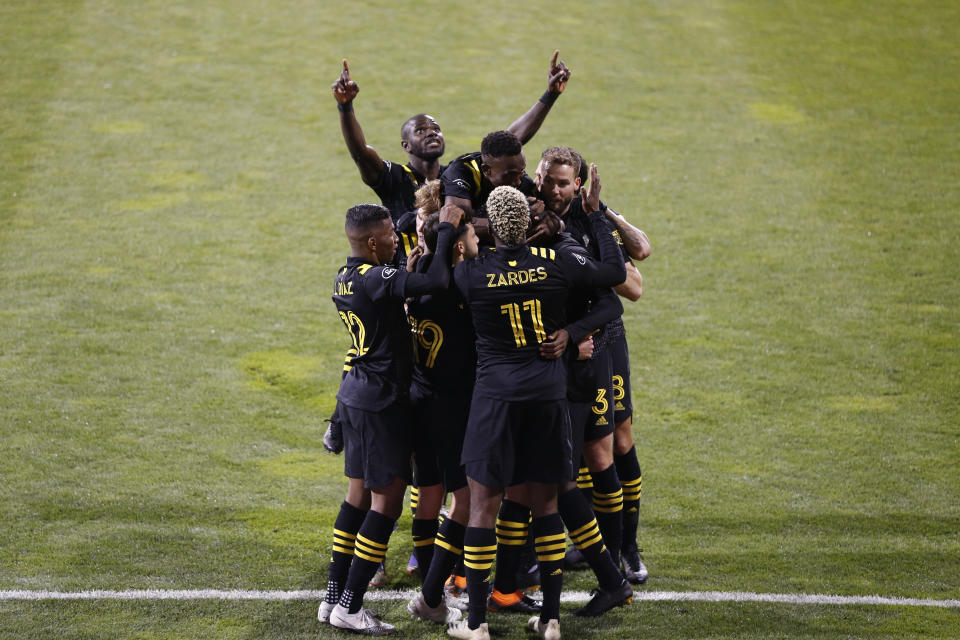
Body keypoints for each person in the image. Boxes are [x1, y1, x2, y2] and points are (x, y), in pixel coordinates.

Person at [446, 185, 625, 640]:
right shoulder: (556, 260)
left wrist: (451, 235)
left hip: (495, 401)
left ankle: (476, 623)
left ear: (489, 224)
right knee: (547, 506)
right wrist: (571, 331)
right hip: (547, 397)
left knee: (483, 507)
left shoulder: (470, 274)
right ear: (527, 222)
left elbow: (434, 280)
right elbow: (611, 289)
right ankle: (549, 620)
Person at [318, 202, 463, 634]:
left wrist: (408, 266)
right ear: (370, 241)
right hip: (382, 401)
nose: (394, 241)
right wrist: (446, 237)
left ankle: (331, 599)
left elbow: (398, 287)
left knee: (356, 497)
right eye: (388, 236)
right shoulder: (374, 276)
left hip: (356, 395)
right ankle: (350, 605)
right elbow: (436, 280)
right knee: (387, 504)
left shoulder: (346, 275)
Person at [331, 52, 571, 260]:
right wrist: (345, 107)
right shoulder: (395, 178)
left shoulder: (455, 176)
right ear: (406, 145)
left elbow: (505, 145)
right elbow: (361, 153)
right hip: (411, 273)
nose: (431, 133)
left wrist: (549, 95)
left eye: (436, 128)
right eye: (421, 130)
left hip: (453, 272)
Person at [568, 152, 652, 585]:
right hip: (566, 343)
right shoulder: (537, 213)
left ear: (579, 185)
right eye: (545, 178)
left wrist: (605, 213)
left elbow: (637, 272)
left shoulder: (591, 220)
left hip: (605, 342)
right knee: (581, 446)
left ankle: (627, 546)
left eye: (562, 181)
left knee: (617, 441)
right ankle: (591, 543)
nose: (550, 187)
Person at [404, 198, 483, 625]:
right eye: (470, 233)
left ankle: (430, 588)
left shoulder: (417, 278)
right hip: (452, 408)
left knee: (429, 494)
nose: (476, 238)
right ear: (456, 244)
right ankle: (432, 595)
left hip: (421, 400)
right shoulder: (457, 286)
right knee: (467, 501)